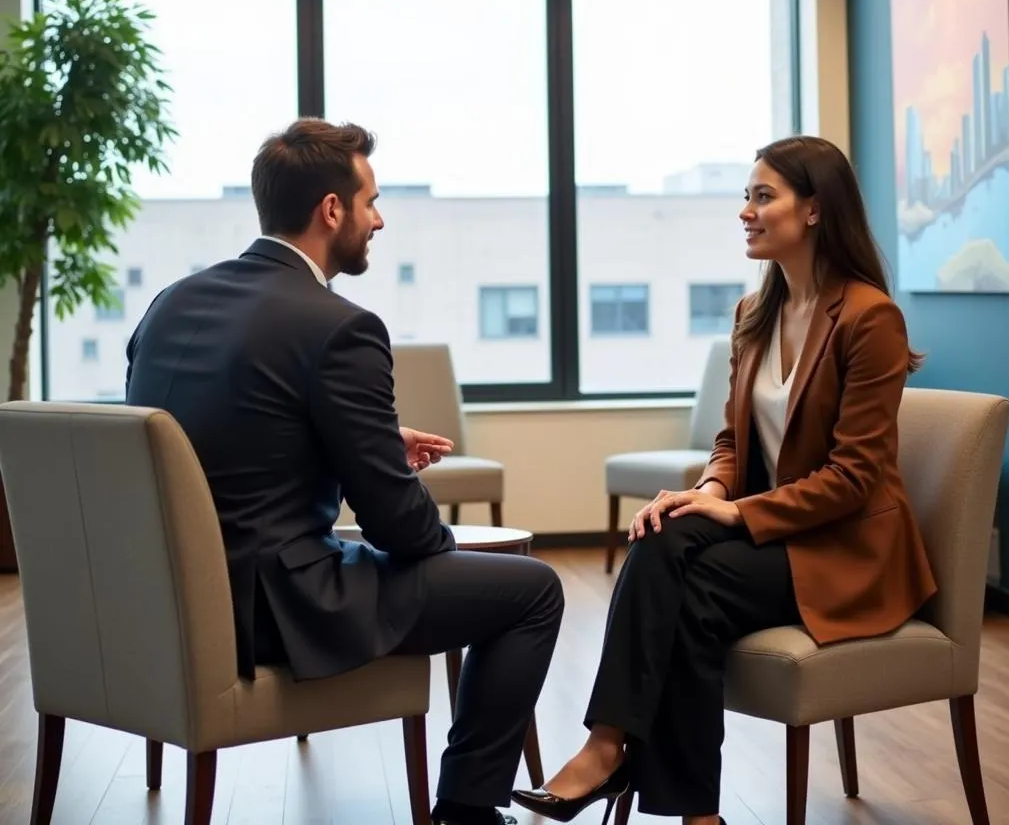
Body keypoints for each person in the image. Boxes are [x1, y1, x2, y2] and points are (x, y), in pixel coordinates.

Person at [126, 117, 564, 825]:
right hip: (273, 606)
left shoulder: (172, 303)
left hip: (167, 599)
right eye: (371, 202)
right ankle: (467, 811)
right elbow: (399, 525)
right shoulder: (341, 326)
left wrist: (369, 439)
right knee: (531, 591)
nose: (379, 220)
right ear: (332, 209)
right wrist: (443, 545)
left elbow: (214, 431)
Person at [511, 135, 937, 825]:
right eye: (747, 194)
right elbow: (733, 441)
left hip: (848, 552)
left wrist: (737, 515)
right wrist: (711, 491)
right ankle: (676, 800)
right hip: (783, 537)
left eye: (763, 196)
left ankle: (611, 753)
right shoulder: (753, 314)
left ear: (816, 211)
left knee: (687, 581)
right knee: (669, 536)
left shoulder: (868, 317)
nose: (746, 210)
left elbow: (855, 478)